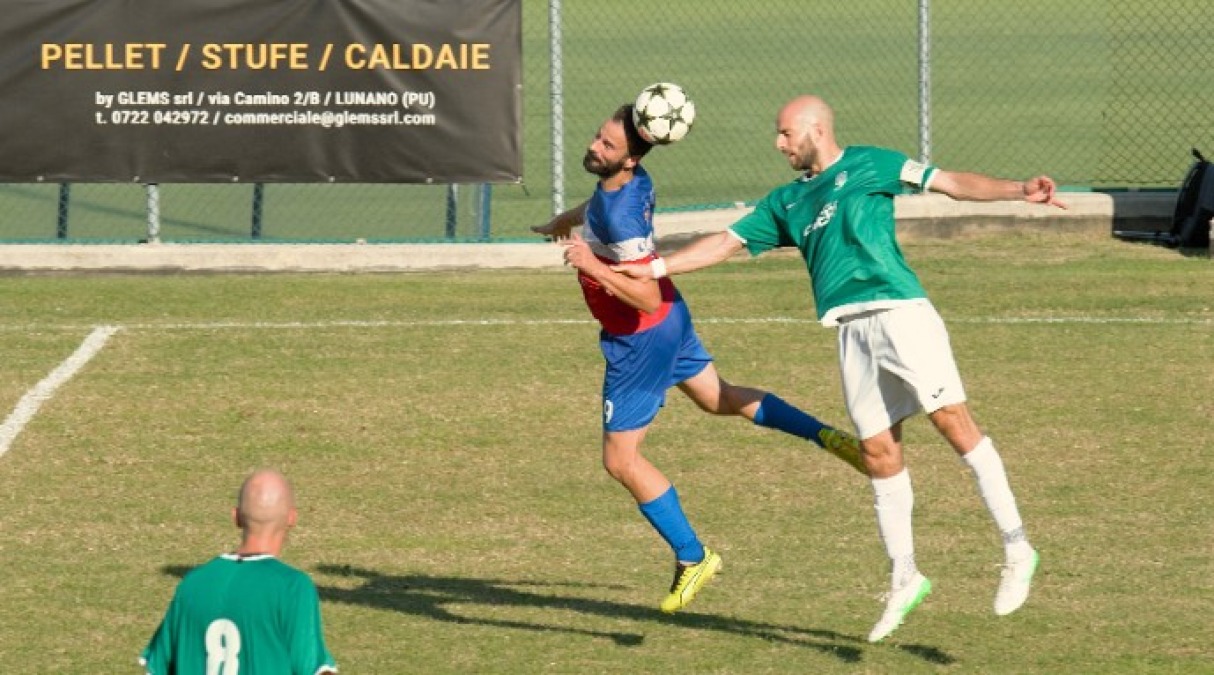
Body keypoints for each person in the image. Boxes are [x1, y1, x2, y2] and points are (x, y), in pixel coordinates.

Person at [615, 94, 1065, 640]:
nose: (779, 144)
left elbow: (950, 181)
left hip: (901, 313)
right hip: (850, 331)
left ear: (815, 129)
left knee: (953, 425)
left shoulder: (872, 164)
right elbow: (724, 243)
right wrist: (656, 266)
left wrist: (1020, 191)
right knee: (878, 453)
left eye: (785, 134)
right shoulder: (786, 202)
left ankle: (1018, 548)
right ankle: (905, 577)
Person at [532, 103, 865, 615]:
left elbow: (640, 295)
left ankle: (694, 556)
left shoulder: (620, 218)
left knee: (620, 460)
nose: (594, 147)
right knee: (720, 398)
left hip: (640, 337)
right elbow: (601, 203)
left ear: (629, 159)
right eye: (597, 138)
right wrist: (569, 218)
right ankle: (827, 436)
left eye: (606, 146)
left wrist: (591, 264)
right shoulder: (630, 182)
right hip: (671, 320)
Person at [139, 469, 337, 674]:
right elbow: (313, 669)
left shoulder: (192, 584)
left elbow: (158, 667)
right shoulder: (292, 587)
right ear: (292, 518)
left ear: (236, 517)